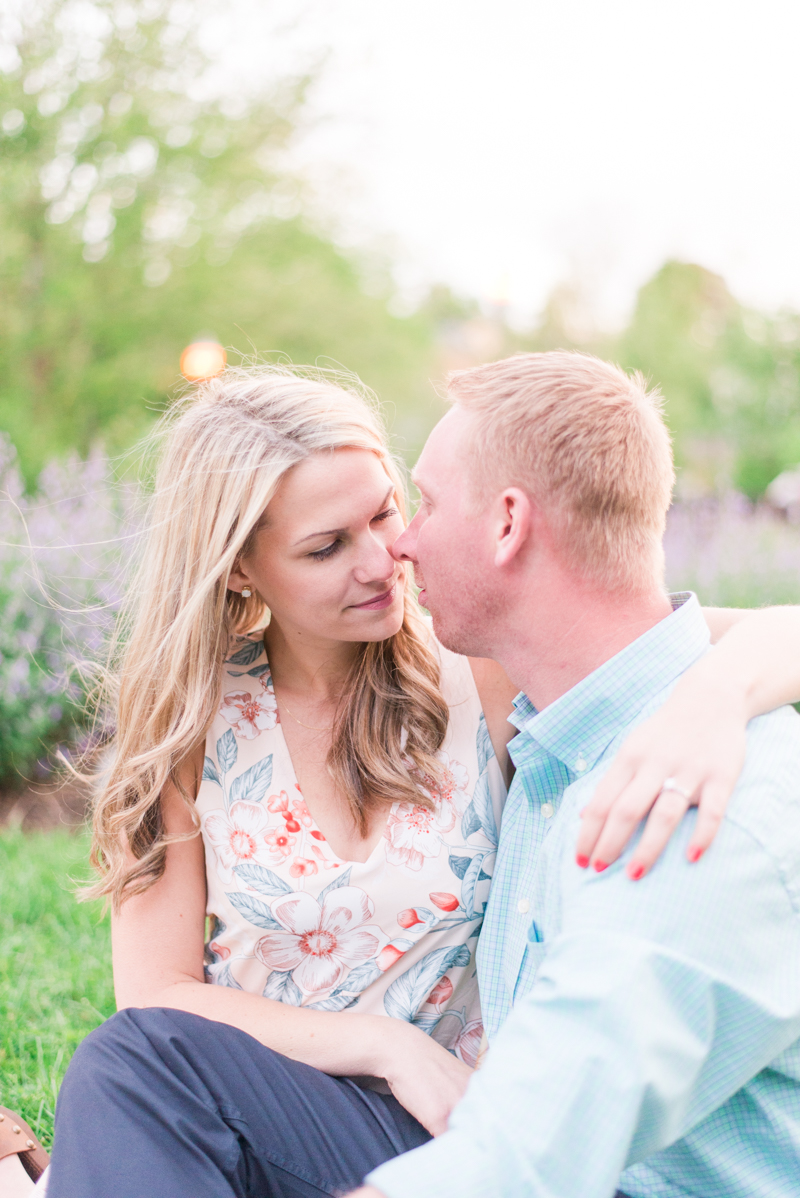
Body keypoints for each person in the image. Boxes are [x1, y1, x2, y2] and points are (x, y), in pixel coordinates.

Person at [24, 363, 800, 1198]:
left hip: (467, 1124)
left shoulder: (480, 672)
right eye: (326, 547)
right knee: (134, 1066)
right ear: (240, 569)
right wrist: (384, 1046)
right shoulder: (189, 726)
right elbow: (156, 994)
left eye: (390, 511)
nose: (384, 558)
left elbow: (708, 636)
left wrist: (716, 697)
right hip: (285, 1101)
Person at [350, 352, 800, 1198]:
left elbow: (516, 1166)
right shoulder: (575, 734)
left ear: (508, 524)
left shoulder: (685, 802)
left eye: (430, 502)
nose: (401, 543)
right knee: (155, 1068)